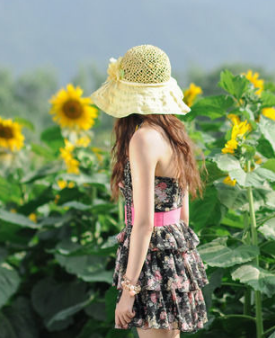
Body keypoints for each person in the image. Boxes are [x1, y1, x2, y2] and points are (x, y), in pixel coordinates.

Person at [91, 44, 210, 338]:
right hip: (174, 254)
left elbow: (143, 224)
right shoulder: (174, 134)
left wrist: (129, 290)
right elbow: (182, 216)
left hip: (152, 257)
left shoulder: (143, 138)